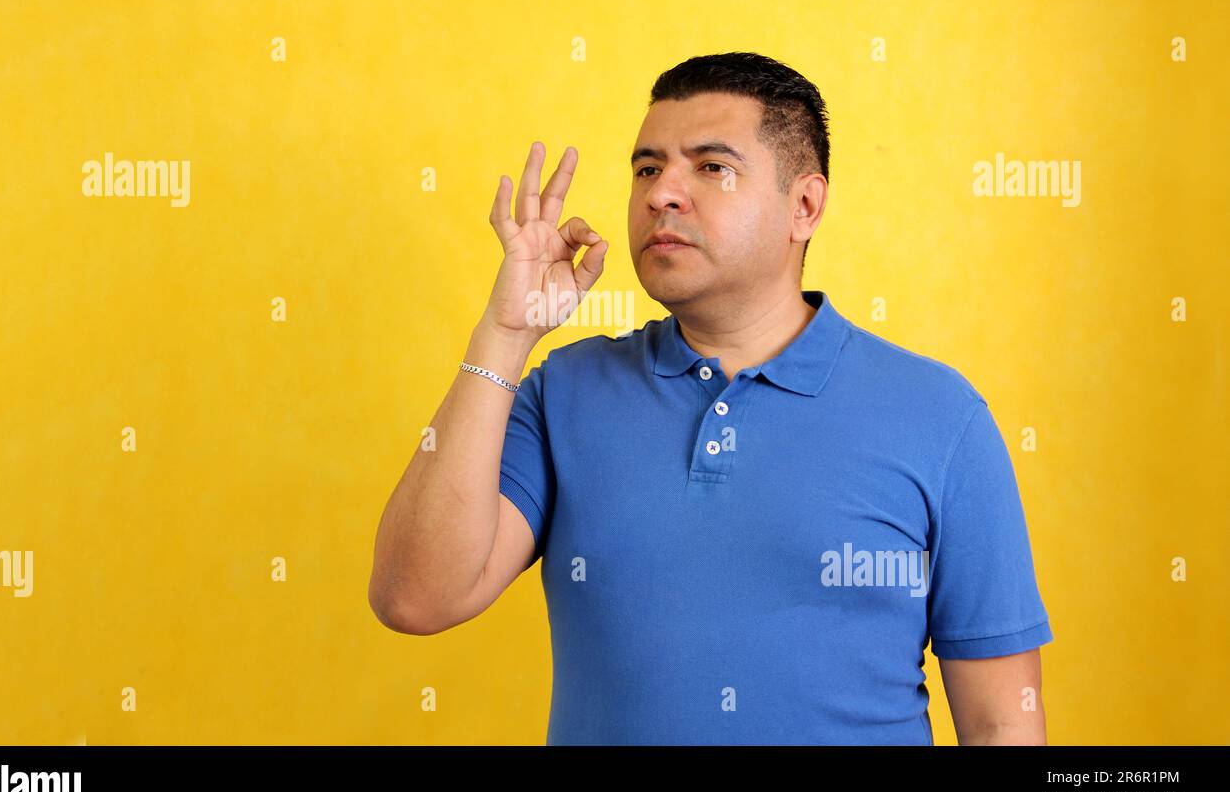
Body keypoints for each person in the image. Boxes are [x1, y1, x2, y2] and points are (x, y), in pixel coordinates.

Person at [371, 51, 1053, 745]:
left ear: (805, 206)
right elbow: (414, 597)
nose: (662, 193)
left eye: (711, 167)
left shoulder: (940, 417)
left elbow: (1003, 724)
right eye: (647, 168)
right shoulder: (563, 393)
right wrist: (506, 333)